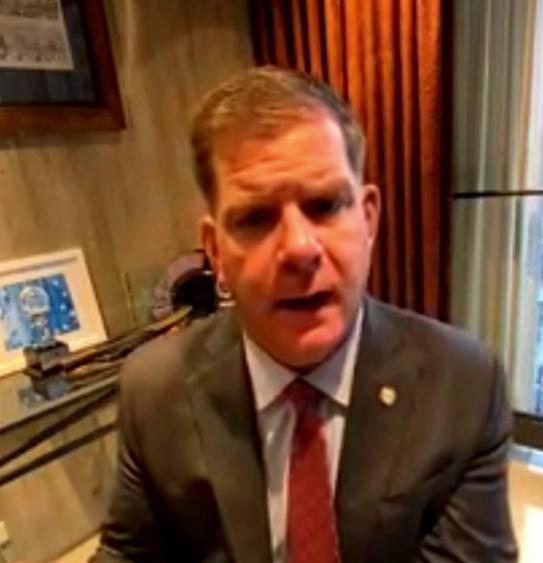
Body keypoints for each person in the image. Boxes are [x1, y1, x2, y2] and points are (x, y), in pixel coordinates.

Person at [93, 67, 517, 563]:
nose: (299, 248)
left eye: (325, 205)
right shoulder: (153, 390)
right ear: (216, 251)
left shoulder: (464, 385)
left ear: (369, 219)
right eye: (255, 218)